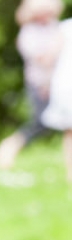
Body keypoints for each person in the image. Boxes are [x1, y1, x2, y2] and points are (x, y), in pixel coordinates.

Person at [0, 0, 65, 170]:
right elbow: (43, 60)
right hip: (40, 84)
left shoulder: (54, 26)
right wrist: (57, 47)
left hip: (59, 83)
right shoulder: (28, 33)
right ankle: (11, 146)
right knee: (41, 123)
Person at [40, 14, 72, 181]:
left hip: (64, 85)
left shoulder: (65, 27)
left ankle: (70, 173)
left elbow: (47, 58)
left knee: (69, 132)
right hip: (67, 86)